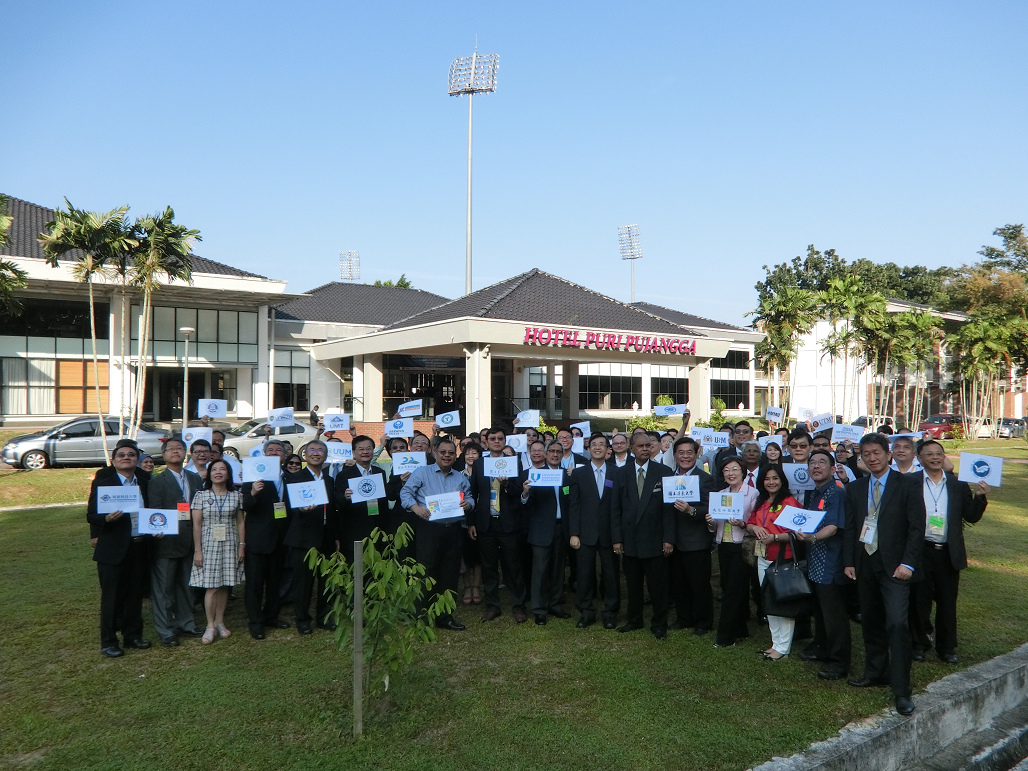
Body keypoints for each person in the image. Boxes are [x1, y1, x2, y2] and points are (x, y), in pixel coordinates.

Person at [843, 433, 925, 716]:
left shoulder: (908, 485)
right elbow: (852, 528)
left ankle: (902, 690)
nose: (872, 457)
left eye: (877, 452)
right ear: (861, 457)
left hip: (896, 567)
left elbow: (917, 528)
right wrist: (850, 562)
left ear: (888, 454)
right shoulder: (855, 489)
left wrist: (909, 564)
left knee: (897, 624)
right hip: (865, 563)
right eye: (866, 453)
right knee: (872, 621)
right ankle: (876, 671)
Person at [908, 440, 988, 664]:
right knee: (918, 600)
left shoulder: (957, 485)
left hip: (947, 552)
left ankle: (947, 647)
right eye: (929, 454)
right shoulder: (910, 482)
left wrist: (980, 497)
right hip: (920, 550)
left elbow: (970, 516)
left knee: (947, 601)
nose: (935, 457)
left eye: (939, 454)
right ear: (920, 458)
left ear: (944, 457)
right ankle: (919, 643)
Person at [400, 437, 475, 631]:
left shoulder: (460, 477)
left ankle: (445, 616)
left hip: (453, 530)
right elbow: (405, 494)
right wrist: (416, 508)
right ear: (435, 452)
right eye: (443, 452)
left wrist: (468, 504)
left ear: (455, 455)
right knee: (425, 572)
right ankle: (421, 615)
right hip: (428, 529)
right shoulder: (421, 473)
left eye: (451, 453)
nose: (447, 456)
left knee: (450, 573)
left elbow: (469, 497)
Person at [86, 439, 152, 657]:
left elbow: (152, 510)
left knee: (135, 595)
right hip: (113, 548)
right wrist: (106, 518)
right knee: (112, 597)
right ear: (114, 460)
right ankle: (109, 641)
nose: (127, 458)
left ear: (137, 459)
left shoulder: (144, 480)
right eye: (121, 455)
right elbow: (91, 515)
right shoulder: (104, 482)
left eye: (131, 455)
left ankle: (133, 635)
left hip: (139, 545)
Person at [612, 432, 675, 639]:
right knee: (633, 584)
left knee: (658, 586)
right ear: (631, 448)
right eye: (641, 446)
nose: (646, 449)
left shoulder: (664, 471)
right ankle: (634, 620)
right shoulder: (621, 473)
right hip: (630, 539)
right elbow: (616, 510)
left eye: (648, 445)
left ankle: (659, 624)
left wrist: (668, 539)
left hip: (656, 539)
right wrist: (617, 539)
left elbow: (669, 510)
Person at [796, 450, 851, 679]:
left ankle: (839, 662)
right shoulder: (814, 493)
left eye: (822, 462)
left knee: (834, 615)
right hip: (815, 561)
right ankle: (821, 647)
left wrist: (812, 538)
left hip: (830, 562)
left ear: (832, 468)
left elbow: (834, 527)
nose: (816, 466)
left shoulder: (836, 492)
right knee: (819, 610)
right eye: (812, 463)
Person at [147, 437, 204, 647]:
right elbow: (155, 512)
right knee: (164, 590)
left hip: (190, 541)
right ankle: (166, 629)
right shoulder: (156, 482)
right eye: (170, 449)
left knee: (187, 586)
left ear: (185, 453)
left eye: (179, 448)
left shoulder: (194, 478)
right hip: (166, 543)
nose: (175, 451)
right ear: (164, 455)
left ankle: (187, 623)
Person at [471, 428, 527, 623]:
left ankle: (519, 606)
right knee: (489, 567)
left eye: (500, 438)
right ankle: (493, 606)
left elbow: (520, 491)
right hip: (486, 523)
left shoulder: (514, 462)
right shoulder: (479, 464)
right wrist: (471, 522)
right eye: (492, 438)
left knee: (514, 567)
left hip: (509, 522)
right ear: (486, 441)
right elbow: (473, 493)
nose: (496, 441)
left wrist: (506, 485)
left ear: (505, 441)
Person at [746, 464, 801, 660]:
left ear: (782, 480)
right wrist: (755, 530)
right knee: (768, 601)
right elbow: (750, 522)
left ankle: (783, 648)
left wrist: (775, 538)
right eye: (767, 479)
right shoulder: (761, 501)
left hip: (782, 558)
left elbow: (797, 532)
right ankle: (775, 643)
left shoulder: (789, 502)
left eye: (775, 478)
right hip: (763, 557)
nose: (771, 482)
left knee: (782, 604)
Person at [283, 440, 338, 634]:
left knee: (326, 582)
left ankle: (324, 617)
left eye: (321, 450)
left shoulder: (329, 480)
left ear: (325, 455)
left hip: (326, 536)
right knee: (303, 582)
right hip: (303, 537)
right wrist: (300, 509)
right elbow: (286, 506)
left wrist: (335, 537)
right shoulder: (295, 478)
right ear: (305, 455)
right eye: (312, 450)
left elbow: (332, 511)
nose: (316, 453)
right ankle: (303, 619)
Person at [189, 459, 245, 644]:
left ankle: (220, 622)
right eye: (214, 469)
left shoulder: (236, 495)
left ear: (228, 473)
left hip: (229, 543)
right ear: (209, 473)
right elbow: (196, 525)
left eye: (222, 469)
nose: (218, 472)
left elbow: (240, 522)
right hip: (208, 544)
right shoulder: (201, 496)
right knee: (211, 586)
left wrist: (241, 545)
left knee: (224, 585)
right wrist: (198, 550)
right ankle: (210, 625)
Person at [569, 433, 621, 629]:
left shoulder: (616, 473)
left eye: (602, 445)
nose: (598, 447)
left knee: (611, 575)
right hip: (585, 533)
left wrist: (618, 537)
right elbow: (574, 505)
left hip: (610, 534)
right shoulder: (579, 474)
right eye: (594, 445)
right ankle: (586, 611)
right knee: (584, 574)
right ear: (588, 449)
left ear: (609, 449)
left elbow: (618, 507)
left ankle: (610, 613)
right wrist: (574, 533)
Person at [666, 436, 717, 635]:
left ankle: (703, 621)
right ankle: (683, 617)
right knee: (678, 583)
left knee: (699, 584)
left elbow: (710, 508)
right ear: (674, 455)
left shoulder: (706, 479)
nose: (685, 456)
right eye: (681, 453)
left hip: (696, 541)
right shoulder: (669, 478)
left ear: (697, 454)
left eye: (689, 453)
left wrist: (691, 510)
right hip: (674, 540)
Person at [241, 439, 291, 640]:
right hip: (258, 538)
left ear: (285, 455)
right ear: (264, 455)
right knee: (254, 584)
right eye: (270, 450)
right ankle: (256, 622)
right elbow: (244, 505)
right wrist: (253, 492)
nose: (274, 453)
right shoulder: (254, 476)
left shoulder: (290, 477)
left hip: (281, 538)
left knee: (275, 582)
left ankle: (271, 615)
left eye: (279, 450)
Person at [521, 440, 573, 625]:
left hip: (562, 528)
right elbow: (526, 504)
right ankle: (539, 609)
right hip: (541, 530)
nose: (555, 454)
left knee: (558, 569)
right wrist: (526, 493)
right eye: (551, 451)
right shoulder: (535, 475)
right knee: (540, 571)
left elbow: (570, 501)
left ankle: (555, 604)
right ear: (545, 453)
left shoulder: (567, 476)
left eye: (559, 451)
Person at [709, 455, 758, 648]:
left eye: (735, 469)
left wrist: (743, 523)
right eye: (727, 470)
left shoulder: (752, 494)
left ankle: (725, 636)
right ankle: (740, 628)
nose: (731, 473)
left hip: (742, 545)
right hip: (724, 544)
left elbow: (755, 522)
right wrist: (711, 522)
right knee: (729, 585)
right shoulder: (721, 493)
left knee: (733, 590)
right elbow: (715, 526)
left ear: (743, 472)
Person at [334, 435, 390, 563]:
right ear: (354, 453)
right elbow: (337, 504)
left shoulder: (379, 472)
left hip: (377, 531)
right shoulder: (344, 475)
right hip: (354, 531)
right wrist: (345, 497)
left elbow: (383, 503)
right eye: (361, 449)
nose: (365, 452)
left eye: (368, 448)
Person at [457, 441, 484, 605]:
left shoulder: (485, 473)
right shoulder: (458, 475)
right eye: (467, 453)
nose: (471, 456)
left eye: (474, 453)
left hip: (481, 520)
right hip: (462, 520)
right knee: (465, 556)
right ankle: (467, 586)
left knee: (479, 556)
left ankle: (476, 586)